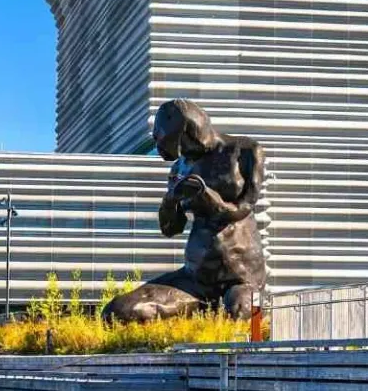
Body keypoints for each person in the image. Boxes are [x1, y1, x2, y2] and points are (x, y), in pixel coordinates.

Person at [104, 100, 266, 321]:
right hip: (195, 279)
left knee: (237, 314)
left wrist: (207, 197)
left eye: (180, 145)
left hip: (241, 277)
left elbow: (245, 207)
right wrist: (170, 200)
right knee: (119, 311)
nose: (182, 154)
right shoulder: (180, 167)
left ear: (188, 132)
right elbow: (171, 228)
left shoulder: (246, 151)